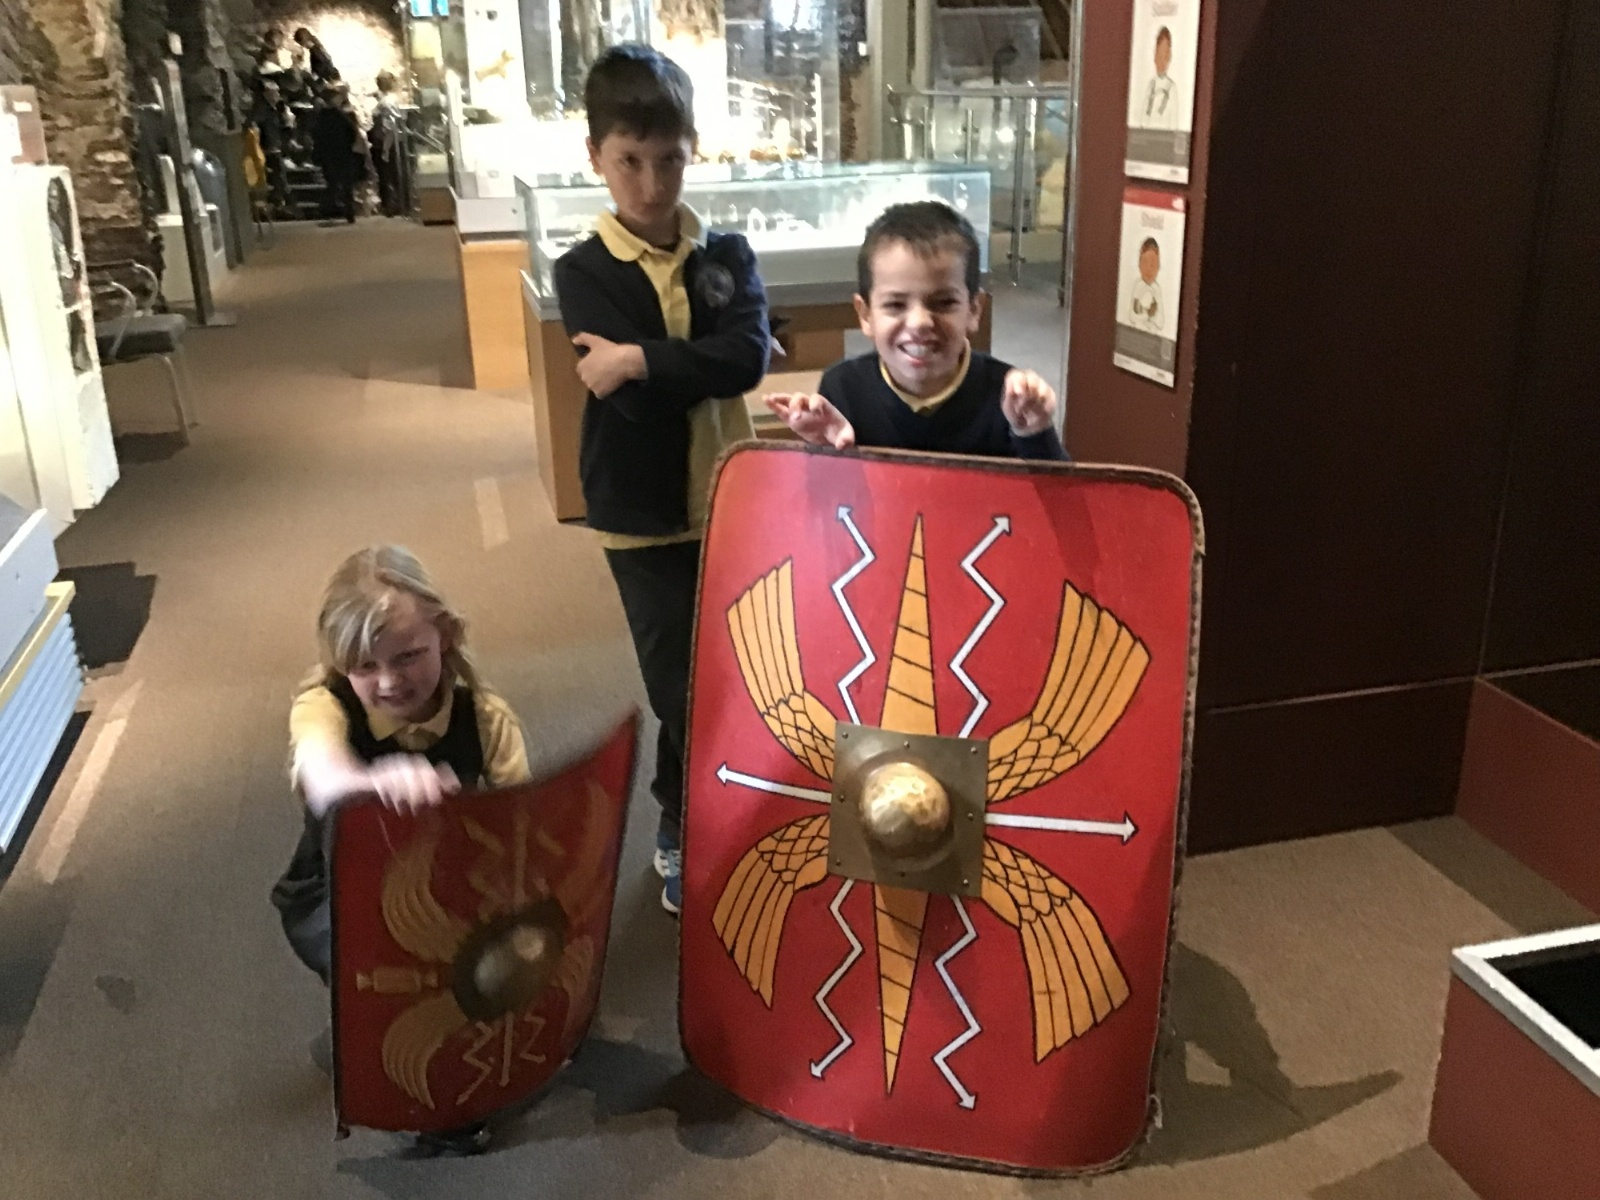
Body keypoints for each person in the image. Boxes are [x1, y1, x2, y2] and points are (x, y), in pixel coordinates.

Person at [552, 44, 770, 914]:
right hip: (638, 516)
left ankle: (714, 810)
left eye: (669, 160)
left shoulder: (728, 254)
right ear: (596, 157)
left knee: (733, 670)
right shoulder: (582, 271)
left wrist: (640, 358)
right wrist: (688, 365)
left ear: (693, 150)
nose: (650, 184)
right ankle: (686, 817)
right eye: (629, 162)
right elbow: (638, 408)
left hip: (729, 502)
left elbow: (746, 360)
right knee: (681, 684)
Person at [271, 545, 532, 1156]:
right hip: (342, 893)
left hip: (457, 878)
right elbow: (323, 774)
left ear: (446, 635)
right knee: (388, 991)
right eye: (365, 666)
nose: (389, 682)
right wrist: (374, 781)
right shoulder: (323, 704)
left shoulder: (485, 717)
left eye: (409, 656)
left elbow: (523, 821)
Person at [764, 201, 1065, 460]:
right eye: (896, 304)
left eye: (944, 302)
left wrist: (1032, 431)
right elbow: (830, 500)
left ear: (974, 310)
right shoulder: (843, 388)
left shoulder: (1008, 395)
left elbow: (1060, 498)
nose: (920, 322)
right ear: (865, 314)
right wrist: (829, 452)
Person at [311, 84, 360, 222]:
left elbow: (316, 135)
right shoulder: (341, 116)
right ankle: (348, 211)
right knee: (346, 184)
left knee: (332, 182)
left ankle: (328, 209)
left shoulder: (321, 117)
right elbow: (352, 131)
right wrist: (349, 144)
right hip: (343, 152)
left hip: (329, 154)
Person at [1141, 27, 1179, 130]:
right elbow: (1144, 118)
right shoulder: (1151, 85)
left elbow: (1174, 123)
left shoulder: (1171, 88)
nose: (1162, 61)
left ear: (1169, 58)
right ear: (1155, 56)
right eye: (1159, 55)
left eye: (1165, 56)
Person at [1130, 236, 1164, 333]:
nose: (1149, 270)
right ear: (1139, 264)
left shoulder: (1156, 289)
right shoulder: (1138, 285)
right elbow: (1132, 316)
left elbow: (1161, 322)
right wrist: (1146, 315)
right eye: (1145, 263)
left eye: (1153, 264)